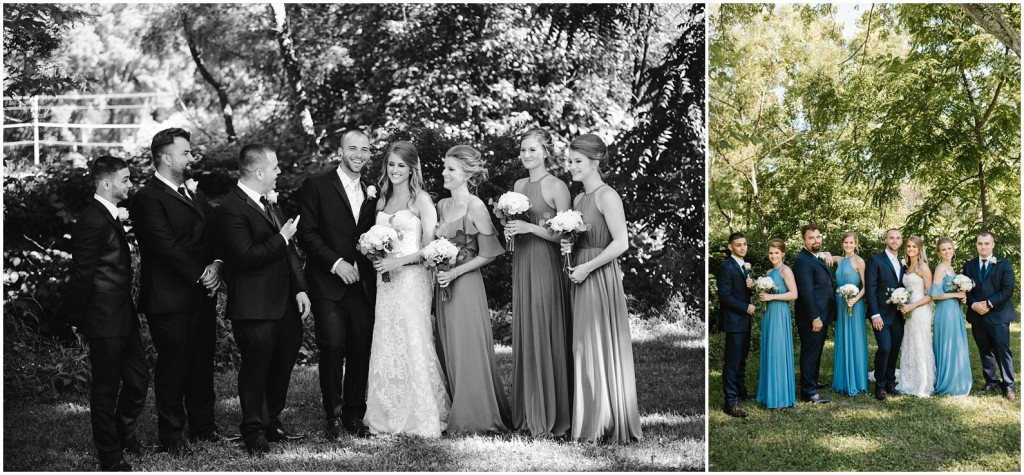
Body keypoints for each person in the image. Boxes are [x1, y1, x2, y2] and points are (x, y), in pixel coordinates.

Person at [214, 144, 310, 455]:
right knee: (256, 369)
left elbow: (289, 251)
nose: (279, 172)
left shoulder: (269, 203)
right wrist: (281, 237)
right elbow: (244, 257)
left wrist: (300, 288)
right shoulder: (231, 209)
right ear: (258, 172)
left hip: (284, 302)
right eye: (275, 167)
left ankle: (272, 420)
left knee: (283, 363)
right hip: (254, 307)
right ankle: (252, 430)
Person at [131, 128, 222, 453]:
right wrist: (202, 274)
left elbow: (213, 234)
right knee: (173, 366)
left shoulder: (194, 193)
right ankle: (172, 434)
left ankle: (204, 426)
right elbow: (164, 246)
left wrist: (216, 265)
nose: (190, 157)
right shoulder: (146, 198)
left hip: (202, 294)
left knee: (201, 362)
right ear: (166, 157)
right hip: (168, 299)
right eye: (185, 152)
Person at [60, 156, 149, 471]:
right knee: (106, 389)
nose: (129, 184)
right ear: (107, 182)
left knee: (139, 380)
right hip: (102, 317)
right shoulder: (91, 219)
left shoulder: (107, 215)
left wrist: (119, 219)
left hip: (124, 314)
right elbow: (82, 273)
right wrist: (74, 320)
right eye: (125, 179)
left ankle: (122, 432)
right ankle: (109, 456)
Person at [363, 141, 450, 437]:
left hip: (412, 281)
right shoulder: (381, 199)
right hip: (384, 282)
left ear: (412, 168)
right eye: (391, 164)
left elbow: (430, 249)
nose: (395, 170)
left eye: (401, 165)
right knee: (386, 338)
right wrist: (372, 251)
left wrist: (397, 262)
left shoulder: (421, 200)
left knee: (412, 337)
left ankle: (421, 414)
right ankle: (386, 413)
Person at [296, 130, 379, 438]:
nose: (359, 154)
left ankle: (354, 414)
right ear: (341, 152)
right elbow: (307, 233)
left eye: (365, 149)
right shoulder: (316, 185)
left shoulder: (376, 192)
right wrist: (337, 263)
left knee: (360, 346)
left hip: (362, 283)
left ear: (370, 154)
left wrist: (367, 257)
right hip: (327, 282)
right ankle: (332, 413)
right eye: (353, 148)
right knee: (332, 345)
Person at [562, 133, 641, 443]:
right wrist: (568, 245)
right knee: (580, 345)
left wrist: (586, 268)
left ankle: (600, 421)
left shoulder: (606, 196)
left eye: (577, 161)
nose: (571, 167)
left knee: (591, 344)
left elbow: (621, 243)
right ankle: (591, 417)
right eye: (569, 161)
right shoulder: (578, 199)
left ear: (595, 162)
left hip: (597, 274)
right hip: (578, 271)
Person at [434, 144, 513, 434]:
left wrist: (455, 271)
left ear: (466, 174)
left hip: (466, 284)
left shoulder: (475, 206)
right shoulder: (442, 206)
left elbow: (490, 253)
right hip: (443, 285)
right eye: (444, 167)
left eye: (451, 169)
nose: (444, 173)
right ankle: (457, 405)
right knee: (449, 345)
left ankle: (475, 416)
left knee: (467, 347)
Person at [502, 128, 573, 437]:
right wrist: (511, 230)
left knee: (544, 326)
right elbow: (516, 224)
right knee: (526, 327)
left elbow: (565, 234)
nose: (526, 155)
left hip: (545, 263)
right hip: (522, 262)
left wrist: (529, 229)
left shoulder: (557, 186)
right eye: (522, 150)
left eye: (532, 150)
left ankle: (551, 411)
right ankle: (527, 410)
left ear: (546, 152)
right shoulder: (518, 185)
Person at [962, 231, 1016, 401]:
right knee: (984, 350)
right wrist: (973, 304)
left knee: (1002, 351)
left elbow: (1008, 289)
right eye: (980, 243)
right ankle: (991, 381)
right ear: (976, 245)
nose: (983, 246)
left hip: (998, 315)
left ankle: (1008, 385)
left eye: (986, 243)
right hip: (977, 315)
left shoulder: (1004, 264)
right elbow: (965, 290)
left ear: (993, 244)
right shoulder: (969, 266)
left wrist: (988, 303)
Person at [792, 224, 836, 404]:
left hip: (821, 315)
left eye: (818, 237)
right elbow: (806, 292)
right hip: (812, 317)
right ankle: (808, 392)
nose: (816, 240)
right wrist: (815, 317)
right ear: (804, 241)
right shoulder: (803, 261)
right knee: (810, 353)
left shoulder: (814, 257)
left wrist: (827, 254)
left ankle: (812, 382)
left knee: (816, 352)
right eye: (811, 238)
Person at [715, 232, 754, 418]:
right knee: (732, 362)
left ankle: (741, 391)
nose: (743, 247)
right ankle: (731, 402)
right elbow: (725, 296)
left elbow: (740, 292)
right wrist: (745, 307)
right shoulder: (726, 267)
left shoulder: (742, 267)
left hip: (744, 321)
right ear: (730, 247)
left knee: (741, 359)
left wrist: (751, 287)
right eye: (738, 245)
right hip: (734, 321)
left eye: (745, 244)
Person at [865, 228, 906, 401]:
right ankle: (880, 385)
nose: (895, 241)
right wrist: (874, 314)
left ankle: (890, 381)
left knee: (895, 348)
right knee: (885, 347)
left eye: (898, 238)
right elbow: (871, 289)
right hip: (881, 314)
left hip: (898, 314)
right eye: (891, 238)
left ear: (901, 241)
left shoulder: (903, 263)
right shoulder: (876, 260)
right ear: (885, 240)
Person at [756, 239, 797, 409]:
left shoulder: (785, 270)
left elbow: (794, 294)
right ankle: (768, 393)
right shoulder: (768, 272)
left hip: (780, 314)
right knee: (769, 350)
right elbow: (767, 293)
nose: (774, 256)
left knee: (778, 350)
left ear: (783, 254)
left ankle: (780, 396)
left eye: (777, 253)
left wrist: (772, 297)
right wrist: (762, 295)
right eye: (771, 253)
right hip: (769, 314)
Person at [931, 237, 972, 397]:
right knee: (948, 344)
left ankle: (957, 379)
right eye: (943, 249)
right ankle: (948, 382)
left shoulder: (952, 268)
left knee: (956, 344)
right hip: (945, 312)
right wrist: (956, 294)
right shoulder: (940, 268)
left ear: (953, 249)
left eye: (949, 248)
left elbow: (952, 293)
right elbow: (935, 294)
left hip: (954, 310)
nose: (947, 252)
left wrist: (962, 297)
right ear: (939, 252)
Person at [895, 236, 935, 397]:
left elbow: (931, 294)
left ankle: (923, 382)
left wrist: (912, 305)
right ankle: (909, 378)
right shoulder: (907, 267)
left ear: (920, 249)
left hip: (920, 311)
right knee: (910, 343)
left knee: (920, 344)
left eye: (914, 247)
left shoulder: (923, 267)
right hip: (909, 312)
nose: (911, 249)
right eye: (908, 246)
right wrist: (901, 301)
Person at [832, 232, 869, 396]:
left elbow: (866, 286)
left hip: (854, 303)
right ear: (842, 244)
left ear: (856, 244)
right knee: (842, 338)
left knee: (854, 338)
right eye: (845, 242)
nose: (848, 245)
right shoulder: (839, 260)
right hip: (840, 303)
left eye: (851, 242)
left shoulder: (859, 261)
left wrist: (855, 299)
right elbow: (824, 255)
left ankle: (856, 380)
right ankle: (842, 380)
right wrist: (826, 254)